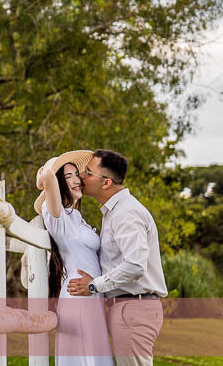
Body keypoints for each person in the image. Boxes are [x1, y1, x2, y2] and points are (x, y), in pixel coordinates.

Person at [66, 149, 167, 366]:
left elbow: (135, 265)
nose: (82, 176)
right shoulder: (114, 212)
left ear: (106, 183)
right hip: (127, 308)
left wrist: (93, 286)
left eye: (89, 173)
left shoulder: (126, 213)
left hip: (133, 308)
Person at [35, 150, 113, 365]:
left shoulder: (76, 217)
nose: (77, 180)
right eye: (68, 177)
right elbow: (49, 176)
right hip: (77, 296)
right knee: (83, 357)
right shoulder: (56, 215)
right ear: (59, 185)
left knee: (95, 356)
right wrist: (42, 180)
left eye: (76, 175)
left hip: (91, 295)